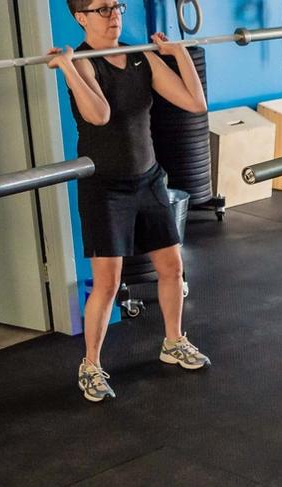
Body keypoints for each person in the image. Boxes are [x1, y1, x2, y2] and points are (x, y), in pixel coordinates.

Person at [48, 0, 209, 402]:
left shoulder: (140, 57)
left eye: (116, 5)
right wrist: (68, 67)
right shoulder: (84, 62)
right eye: (102, 9)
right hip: (106, 187)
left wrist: (179, 55)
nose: (114, 14)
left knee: (172, 268)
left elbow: (195, 102)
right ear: (81, 18)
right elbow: (99, 115)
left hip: (149, 179)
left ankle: (173, 341)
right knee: (107, 283)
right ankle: (90, 365)